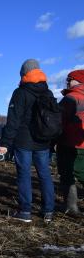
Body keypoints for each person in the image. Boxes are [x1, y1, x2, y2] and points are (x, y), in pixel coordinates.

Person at [0, 59, 55, 223]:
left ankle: (25, 212)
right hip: (43, 141)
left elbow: (13, 121)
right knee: (45, 175)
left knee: (24, 175)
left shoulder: (20, 93)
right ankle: (48, 211)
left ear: (24, 73)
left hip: (23, 142)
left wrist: (4, 143)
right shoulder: (47, 92)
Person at [56, 70, 84, 216]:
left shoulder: (70, 98)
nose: (67, 81)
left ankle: (71, 207)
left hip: (69, 143)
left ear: (78, 80)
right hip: (81, 142)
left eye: (70, 79)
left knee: (67, 174)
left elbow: (58, 123)